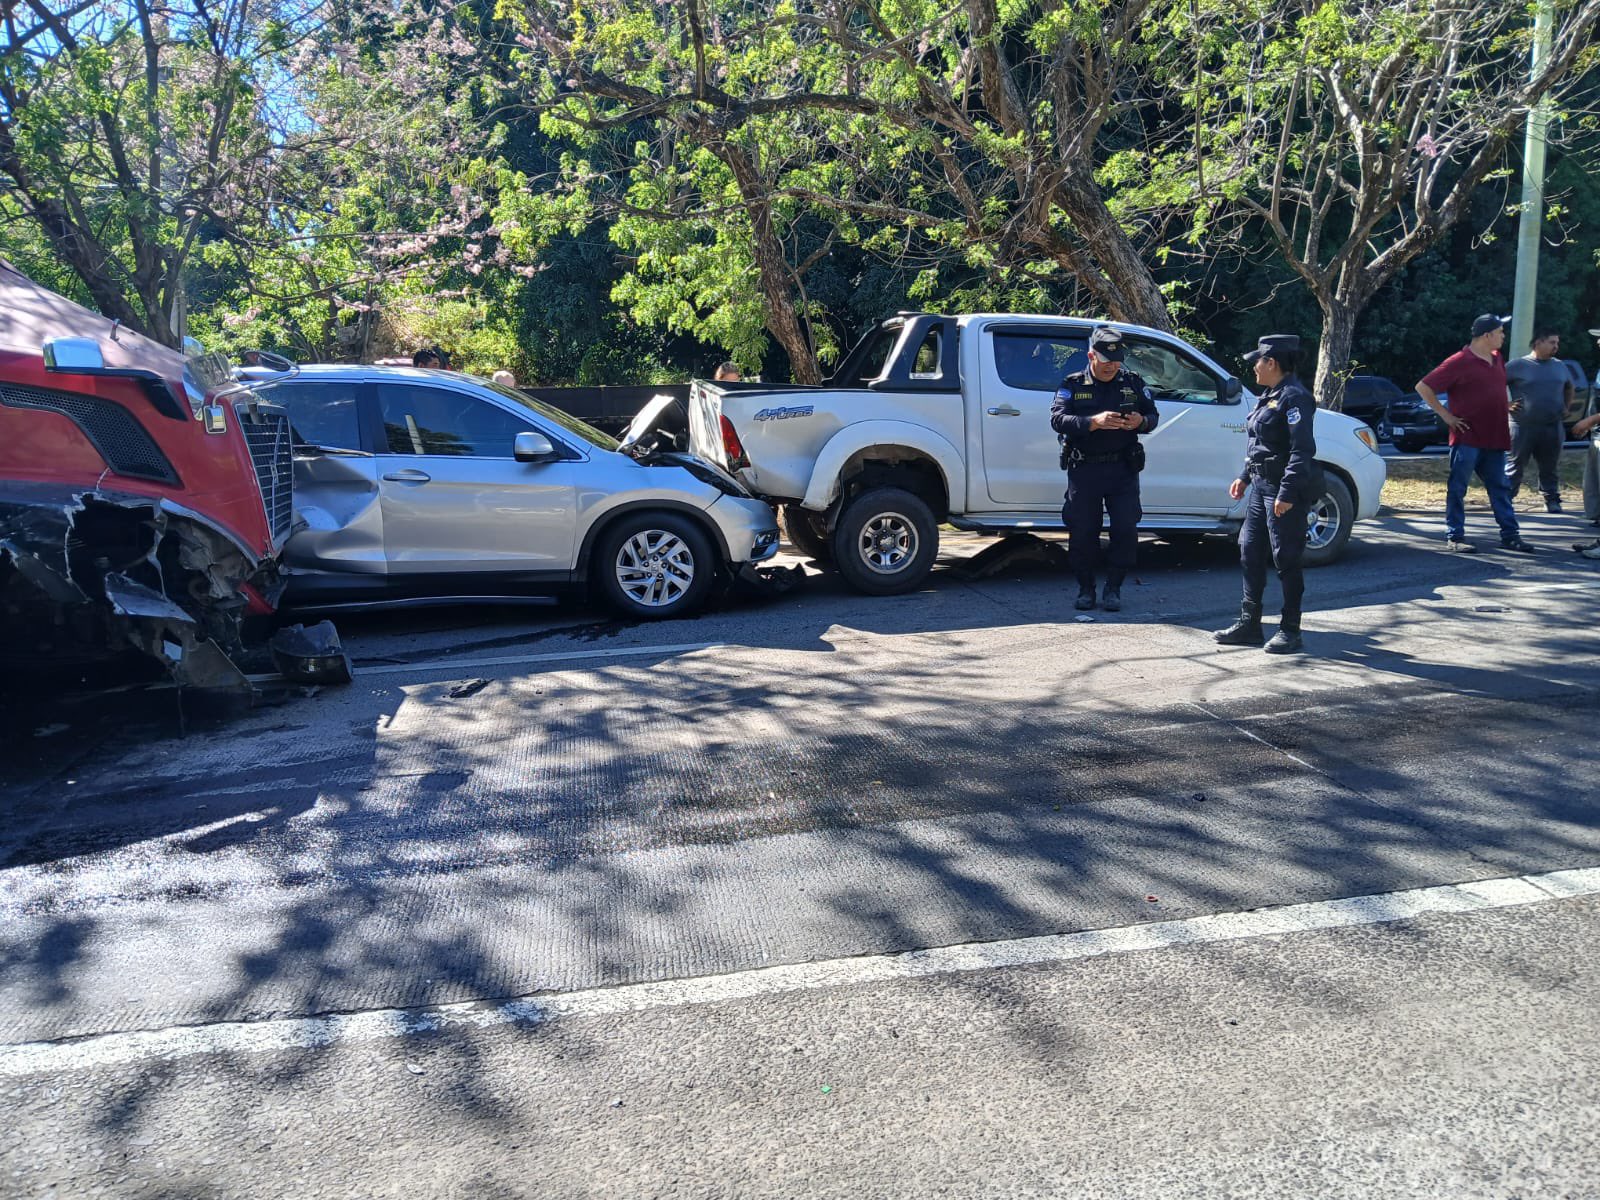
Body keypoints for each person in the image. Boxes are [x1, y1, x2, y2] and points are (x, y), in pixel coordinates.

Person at [1214, 334, 1317, 655]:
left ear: (1271, 362)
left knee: (1286, 557)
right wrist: (1244, 477)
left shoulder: (1295, 398)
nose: (1254, 368)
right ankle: (1250, 624)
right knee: (1249, 550)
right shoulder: (1270, 395)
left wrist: (1287, 492)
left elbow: (1302, 450)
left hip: (1282, 490)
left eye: (1257, 362)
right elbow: (1260, 444)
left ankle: (1291, 629)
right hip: (1260, 487)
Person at [1049, 325, 1158, 612]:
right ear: (1091, 356)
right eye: (1106, 360)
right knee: (1083, 531)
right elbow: (1058, 420)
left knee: (1125, 529)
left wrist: (1141, 422)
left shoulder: (1132, 382)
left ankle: (1114, 588)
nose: (1112, 366)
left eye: (1117, 360)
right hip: (1085, 469)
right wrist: (1092, 423)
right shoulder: (1073, 384)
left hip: (1123, 469)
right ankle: (1086, 588)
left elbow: (1152, 415)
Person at [1414, 314, 1536, 554]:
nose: (1503, 336)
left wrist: (1503, 405)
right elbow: (1423, 387)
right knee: (1458, 487)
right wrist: (1447, 416)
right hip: (1467, 437)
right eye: (1500, 332)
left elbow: (1490, 390)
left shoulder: (1497, 358)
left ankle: (1510, 536)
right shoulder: (1459, 361)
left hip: (1495, 436)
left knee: (1500, 487)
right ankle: (1455, 537)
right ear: (1486, 335)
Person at [1504, 331, 1574, 512]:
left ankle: (1551, 499)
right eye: (1552, 342)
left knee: (1550, 466)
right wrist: (1506, 404)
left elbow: (1569, 387)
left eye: (1557, 343)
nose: (1556, 347)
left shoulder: (1559, 366)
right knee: (1515, 465)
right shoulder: (1517, 365)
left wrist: (1566, 407)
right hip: (1522, 425)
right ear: (1538, 343)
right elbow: (1493, 386)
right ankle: (1505, 500)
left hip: (1552, 425)